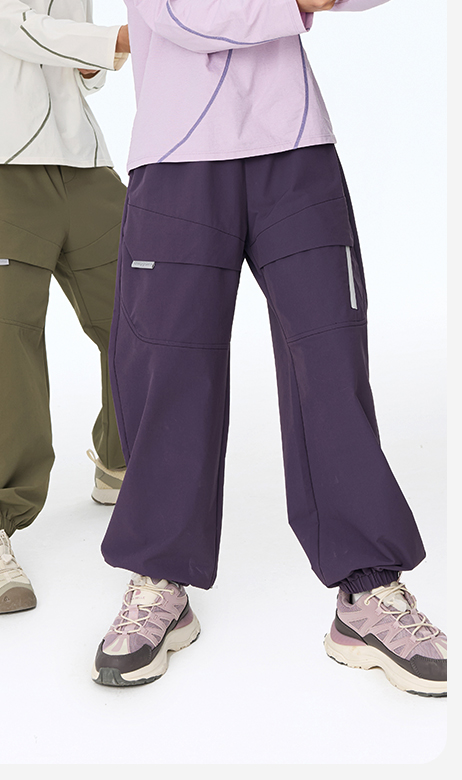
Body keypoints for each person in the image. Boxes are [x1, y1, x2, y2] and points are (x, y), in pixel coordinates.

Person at [92, 0, 447, 697]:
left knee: (332, 361)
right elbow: (182, 14)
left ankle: (368, 590)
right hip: (179, 155)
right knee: (169, 371)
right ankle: (159, 579)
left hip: (296, 148)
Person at [0, 0, 130, 615]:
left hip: (85, 161)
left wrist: (98, 61)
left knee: (144, 317)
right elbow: (15, 28)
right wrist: (125, 38)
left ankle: (122, 457)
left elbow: (83, 66)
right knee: (5, 338)